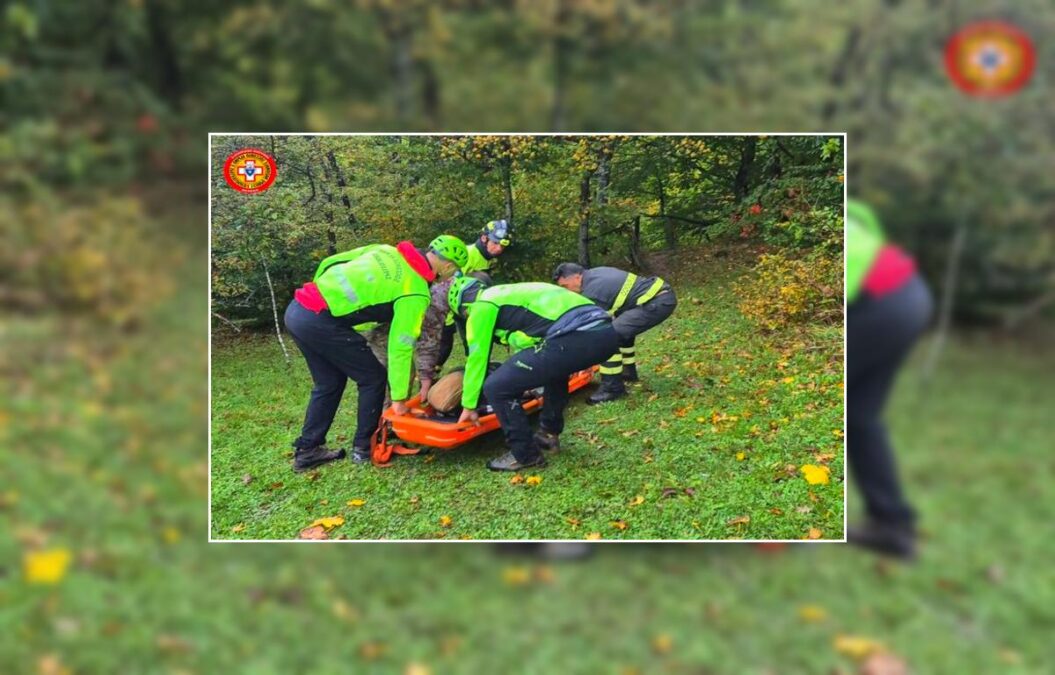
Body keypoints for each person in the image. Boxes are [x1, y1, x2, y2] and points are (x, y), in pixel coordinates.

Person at [283, 235, 468, 472]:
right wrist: (399, 400)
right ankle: (364, 447)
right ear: (448, 266)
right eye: (453, 272)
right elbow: (400, 346)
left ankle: (308, 451)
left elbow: (332, 262)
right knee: (373, 378)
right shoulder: (416, 291)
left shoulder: (386, 250)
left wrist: (323, 293)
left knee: (329, 382)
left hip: (299, 309)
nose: (450, 277)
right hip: (321, 322)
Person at [449, 278, 621, 471]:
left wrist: (469, 404)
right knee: (555, 369)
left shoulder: (481, 306)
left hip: (574, 336)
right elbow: (531, 339)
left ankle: (525, 455)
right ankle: (548, 434)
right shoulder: (512, 291)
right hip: (606, 334)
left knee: (496, 386)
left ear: (464, 307)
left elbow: (477, 357)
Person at [846, 199, 933, 559]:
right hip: (910, 296)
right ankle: (893, 527)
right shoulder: (850, 214)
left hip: (882, 304)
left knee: (826, 401)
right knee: (859, 416)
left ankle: (792, 528)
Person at [552, 263, 677, 404]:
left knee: (605, 338)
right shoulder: (596, 272)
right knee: (621, 332)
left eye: (565, 286)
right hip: (657, 296)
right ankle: (627, 372)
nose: (568, 291)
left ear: (576, 277)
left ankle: (612, 389)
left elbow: (591, 325)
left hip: (655, 302)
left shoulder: (592, 290)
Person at [437, 219, 512, 368]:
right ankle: (427, 381)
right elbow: (446, 286)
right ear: (484, 238)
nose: (499, 249)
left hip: (468, 309)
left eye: (503, 245)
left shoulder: (488, 259)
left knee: (474, 343)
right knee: (442, 348)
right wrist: (447, 318)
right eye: (495, 243)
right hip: (449, 311)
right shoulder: (468, 255)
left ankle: (472, 370)